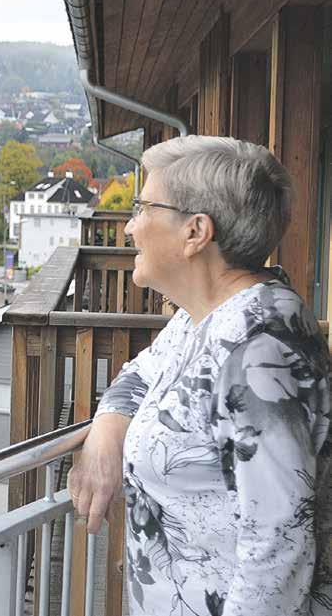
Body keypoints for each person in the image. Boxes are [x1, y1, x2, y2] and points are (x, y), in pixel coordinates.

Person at [67, 135, 332, 615]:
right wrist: (107, 432)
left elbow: (279, 545)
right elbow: (140, 373)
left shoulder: (257, 351)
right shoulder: (206, 319)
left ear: (196, 232)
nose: (129, 227)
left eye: (143, 207)